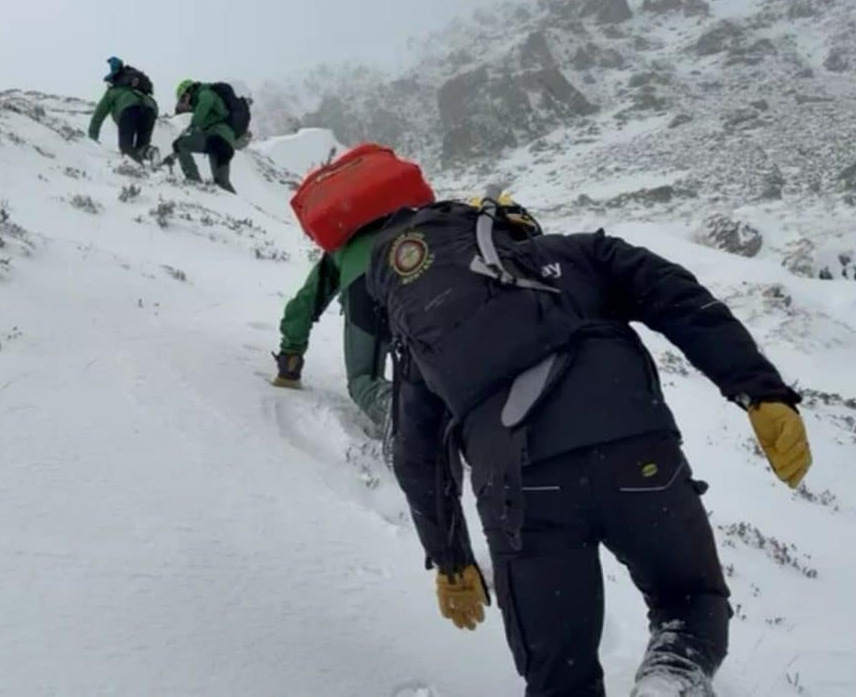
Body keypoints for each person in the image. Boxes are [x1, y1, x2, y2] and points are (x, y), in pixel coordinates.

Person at [366, 192, 812, 697]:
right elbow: (679, 298)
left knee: (559, 678)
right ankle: (671, 679)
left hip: (519, 494)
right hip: (634, 455)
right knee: (689, 601)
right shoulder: (577, 255)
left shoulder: (424, 335)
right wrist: (757, 389)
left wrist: (451, 562)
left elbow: (417, 455)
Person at [274, 221, 394, 439]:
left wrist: (290, 355)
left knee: (364, 379)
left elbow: (306, 302)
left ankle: (406, 420)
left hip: (368, 285)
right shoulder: (412, 224)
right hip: (429, 277)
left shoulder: (344, 240)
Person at [171, 79, 239, 193]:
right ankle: (237, 204)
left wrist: (193, 124)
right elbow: (198, 135)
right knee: (222, 183)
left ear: (190, 91)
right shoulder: (204, 108)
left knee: (180, 144)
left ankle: (194, 181)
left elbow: (206, 102)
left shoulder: (204, 92)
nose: (184, 102)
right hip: (225, 143)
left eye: (183, 98)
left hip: (217, 137)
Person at [88, 57, 157, 165]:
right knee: (141, 148)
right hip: (150, 110)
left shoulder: (113, 92)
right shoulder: (141, 91)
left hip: (130, 111)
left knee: (126, 146)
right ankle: (148, 154)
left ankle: (138, 167)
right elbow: (154, 107)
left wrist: (92, 138)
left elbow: (98, 115)